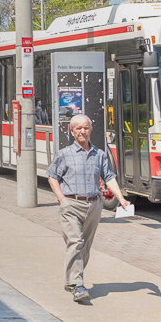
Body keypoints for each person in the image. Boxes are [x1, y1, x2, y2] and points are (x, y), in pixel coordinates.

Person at [47, 115, 130, 302]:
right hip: (71, 204)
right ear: (72, 131)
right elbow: (52, 177)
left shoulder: (99, 154)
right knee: (75, 242)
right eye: (78, 128)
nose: (82, 131)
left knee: (85, 247)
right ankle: (77, 285)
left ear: (90, 130)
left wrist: (121, 199)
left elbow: (108, 177)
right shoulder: (64, 154)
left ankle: (71, 280)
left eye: (85, 128)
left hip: (94, 204)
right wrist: (62, 200)